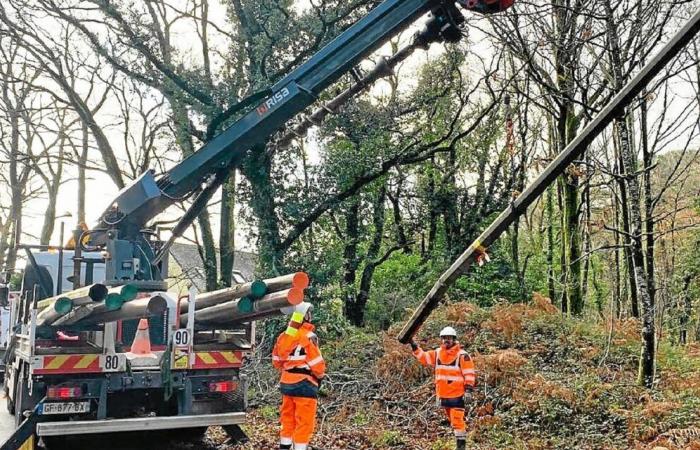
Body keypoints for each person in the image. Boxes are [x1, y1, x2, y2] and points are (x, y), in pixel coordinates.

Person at [410, 326, 476, 450]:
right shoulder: (437, 353)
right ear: (441, 339)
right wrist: (414, 345)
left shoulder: (462, 355)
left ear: (454, 339)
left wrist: (468, 390)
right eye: (444, 338)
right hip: (444, 396)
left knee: (457, 421)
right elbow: (424, 358)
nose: (446, 340)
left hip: (458, 395)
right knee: (452, 421)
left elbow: (469, 373)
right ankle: (459, 443)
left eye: (449, 338)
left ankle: (461, 447)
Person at [272, 302, 326, 450]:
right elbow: (317, 365)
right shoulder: (309, 336)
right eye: (310, 313)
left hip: (286, 384)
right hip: (305, 384)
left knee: (287, 419)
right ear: (305, 316)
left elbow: (276, 362)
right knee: (304, 422)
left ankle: (285, 446)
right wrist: (320, 376)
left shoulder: (283, 337)